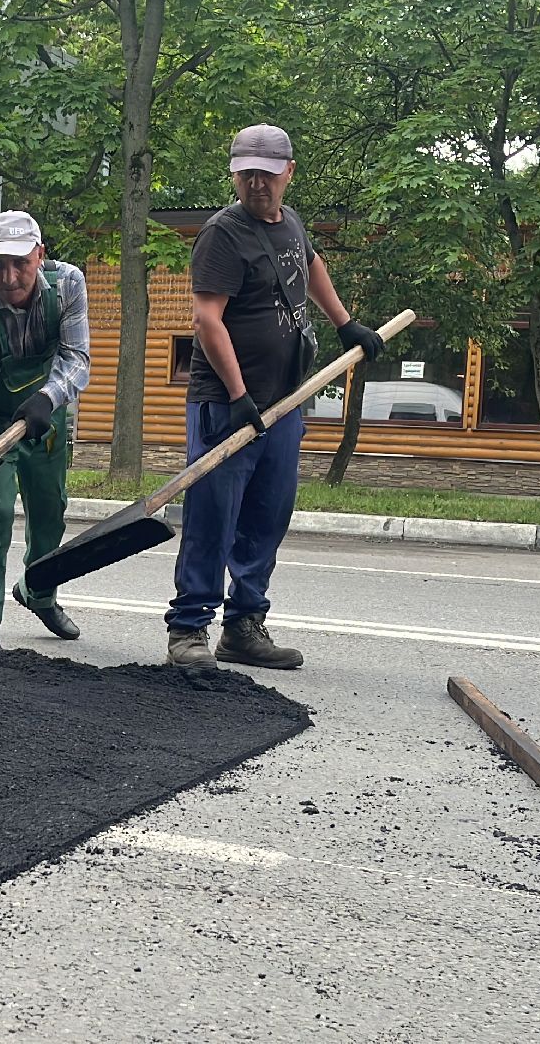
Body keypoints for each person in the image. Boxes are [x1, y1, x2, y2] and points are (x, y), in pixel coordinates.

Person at [165, 124, 386, 670]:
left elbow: (310, 264)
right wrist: (239, 395)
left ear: (289, 171)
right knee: (214, 517)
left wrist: (345, 323)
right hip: (229, 405)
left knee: (268, 513)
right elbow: (206, 320)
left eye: (266, 171)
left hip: (286, 402)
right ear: (235, 173)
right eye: (246, 172)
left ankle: (243, 626)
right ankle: (189, 628)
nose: (256, 182)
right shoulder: (222, 234)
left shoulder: (290, 223)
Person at [0, 210, 90, 652]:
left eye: (19, 263)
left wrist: (48, 398)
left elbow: (76, 357)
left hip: (45, 416)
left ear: (40, 255)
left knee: (51, 513)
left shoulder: (67, 284)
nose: (8, 277)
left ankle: (38, 592)